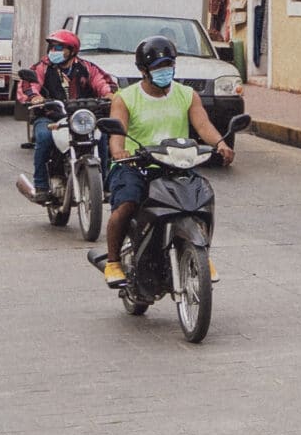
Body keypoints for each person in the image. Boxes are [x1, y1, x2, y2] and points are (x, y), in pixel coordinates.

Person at [97, 36, 229, 284]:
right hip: (135, 165)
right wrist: (119, 152)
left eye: (168, 65)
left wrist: (220, 143)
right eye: (158, 67)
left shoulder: (187, 95)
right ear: (143, 70)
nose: (164, 71)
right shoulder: (125, 98)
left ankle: (201, 251)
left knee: (200, 201)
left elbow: (203, 125)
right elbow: (117, 134)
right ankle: (113, 262)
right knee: (126, 205)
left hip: (175, 164)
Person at [12, 28, 113, 203]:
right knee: (44, 137)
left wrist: (109, 95)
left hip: (81, 117)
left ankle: (104, 185)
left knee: (102, 136)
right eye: (52, 47)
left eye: (59, 48)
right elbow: (28, 85)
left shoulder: (86, 68)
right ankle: (41, 185)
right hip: (50, 116)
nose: (54, 51)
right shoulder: (42, 67)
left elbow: (103, 82)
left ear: (72, 51)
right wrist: (35, 97)